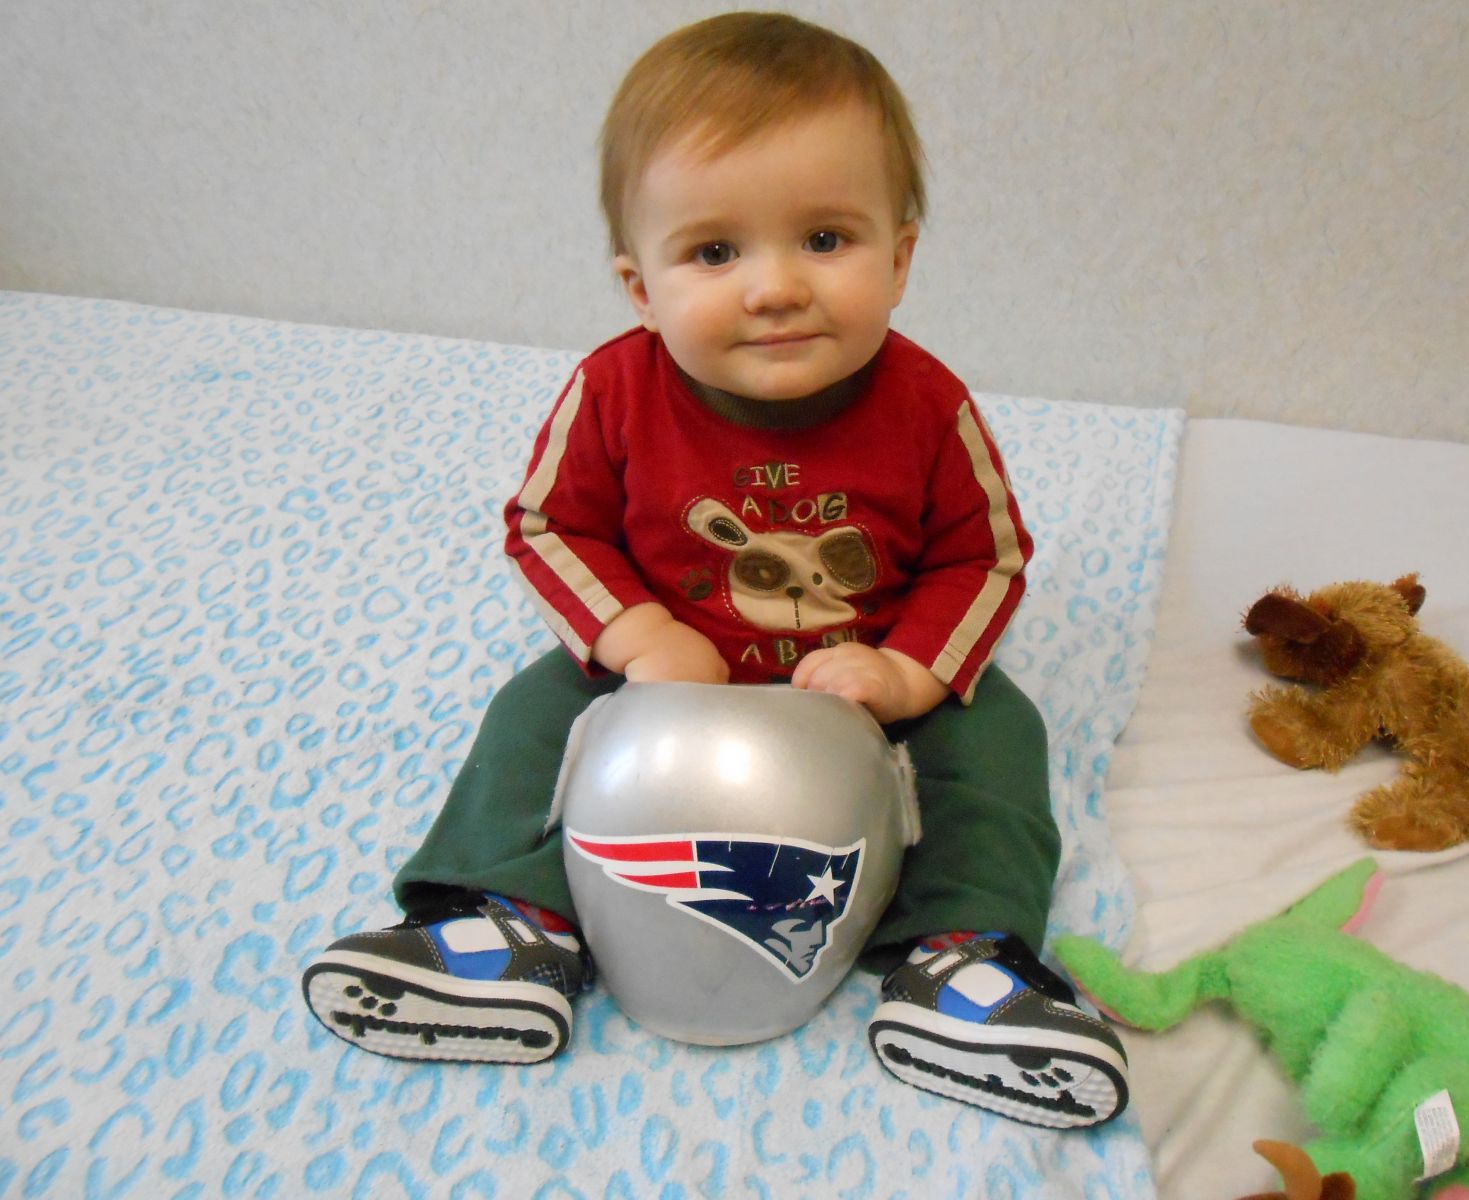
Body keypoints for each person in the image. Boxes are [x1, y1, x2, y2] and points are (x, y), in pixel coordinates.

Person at [301, 11, 1127, 1129]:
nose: (775, 287)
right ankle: (505, 923)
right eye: (714, 252)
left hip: (858, 683)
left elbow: (982, 557)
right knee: (534, 713)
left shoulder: (928, 406)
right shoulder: (615, 391)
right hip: (661, 679)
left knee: (998, 736)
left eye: (826, 240)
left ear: (902, 257)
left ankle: (959, 957)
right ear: (639, 286)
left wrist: (903, 677)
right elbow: (549, 528)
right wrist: (639, 636)